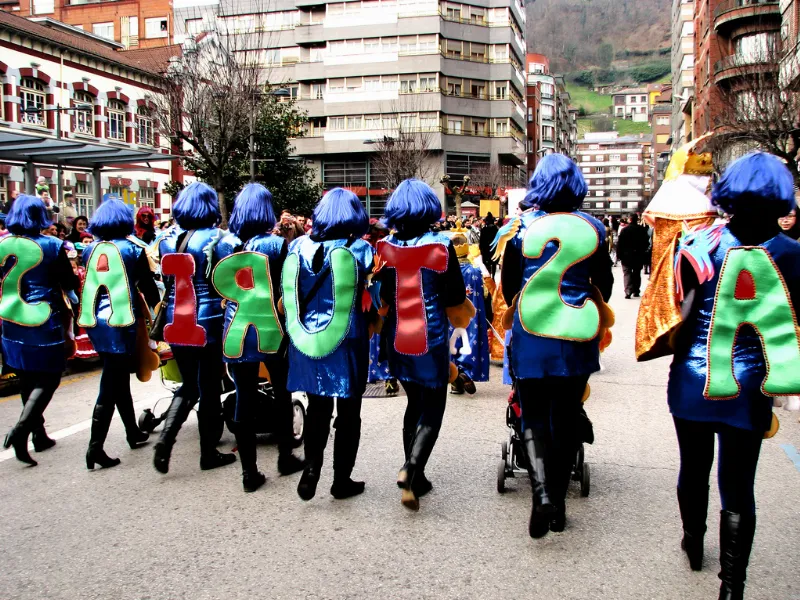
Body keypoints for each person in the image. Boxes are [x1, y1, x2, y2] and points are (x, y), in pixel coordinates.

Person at [665, 153, 800, 600]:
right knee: (739, 483)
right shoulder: (792, 253)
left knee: (693, 465)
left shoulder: (699, 243)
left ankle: (693, 540)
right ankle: (732, 584)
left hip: (693, 374)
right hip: (750, 383)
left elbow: (677, 310)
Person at [501, 154, 613, 538]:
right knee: (566, 418)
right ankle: (559, 505)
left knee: (531, 415)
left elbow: (509, 289)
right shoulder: (594, 228)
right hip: (577, 334)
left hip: (532, 333)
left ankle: (541, 494)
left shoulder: (519, 228)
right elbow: (605, 286)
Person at [378, 179, 473, 511]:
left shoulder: (385, 247)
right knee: (433, 408)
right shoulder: (441, 245)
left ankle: (416, 479)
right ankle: (411, 468)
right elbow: (455, 295)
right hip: (429, 338)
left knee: (413, 404)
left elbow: (384, 295)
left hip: (397, 336)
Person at [283, 188, 374, 501]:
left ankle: (311, 471)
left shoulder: (297, 246)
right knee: (349, 411)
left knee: (318, 408)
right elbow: (372, 294)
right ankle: (341, 480)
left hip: (306, 338)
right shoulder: (361, 249)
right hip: (348, 338)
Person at [215, 183, 304, 493]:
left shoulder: (224, 245)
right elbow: (289, 289)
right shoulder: (278, 245)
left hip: (236, 329)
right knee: (282, 392)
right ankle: (285, 456)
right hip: (271, 328)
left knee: (244, 396)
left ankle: (249, 472)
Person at [152, 182, 236, 474]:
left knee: (188, 385)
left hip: (176, 318)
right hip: (208, 319)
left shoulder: (166, 239)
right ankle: (208, 453)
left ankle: (166, 439)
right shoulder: (220, 238)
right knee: (209, 386)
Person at [79, 199, 160, 469]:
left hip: (95, 319)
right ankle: (95, 447)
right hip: (122, 318)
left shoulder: (89, 249)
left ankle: (132, 432)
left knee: (117, 375)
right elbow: (148, 287)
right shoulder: (134, 248)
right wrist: (159, 315)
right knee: (111, 383)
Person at [1, 195, 79, 466]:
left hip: (11, 318)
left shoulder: (2, 244)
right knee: (50, 376)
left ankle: (39, 433)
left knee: (26, 376)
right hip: (42, 317)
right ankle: (22, 430)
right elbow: (68, 281)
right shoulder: (52, 244)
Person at [448, 233, 490, 394]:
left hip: (452, 314)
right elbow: (485, 294)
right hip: (472, 315)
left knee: (452, 342)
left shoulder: (447, 271)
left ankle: (456, 378)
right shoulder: (475, 271)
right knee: (470, 340)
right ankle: (466, 371)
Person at [616, 214, 650, 298]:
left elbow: (620, 243)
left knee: (627, 273)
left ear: (630, 219)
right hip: (638, 255)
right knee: (636, 273)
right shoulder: (642, 230)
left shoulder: (624, 230)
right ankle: (636, 290)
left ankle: (628, 290)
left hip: (626, 255)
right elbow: (646, 243)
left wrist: (619, 255)